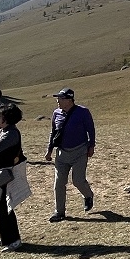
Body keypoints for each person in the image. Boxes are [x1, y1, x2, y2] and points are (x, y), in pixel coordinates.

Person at [45, 88, 95, 222]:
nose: (57, 101)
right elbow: (53, 132)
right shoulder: (56, 113)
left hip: (80, 151)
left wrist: (91, 146)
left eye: (60, 98)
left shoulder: (83, 112)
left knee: (78, 180)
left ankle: (88, 195)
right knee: (58, 183)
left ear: (69, 100)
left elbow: (90, 129)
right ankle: (59, 212)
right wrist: (49, 150)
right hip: (61, 153)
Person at [0, 103, 28, 252]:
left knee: (5, 208)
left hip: (8, 174)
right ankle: (6, 238)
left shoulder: (11, 134)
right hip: (2, 174)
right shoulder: (4, 131)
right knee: (0, 208)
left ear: (6, 118)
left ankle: (14, 240)